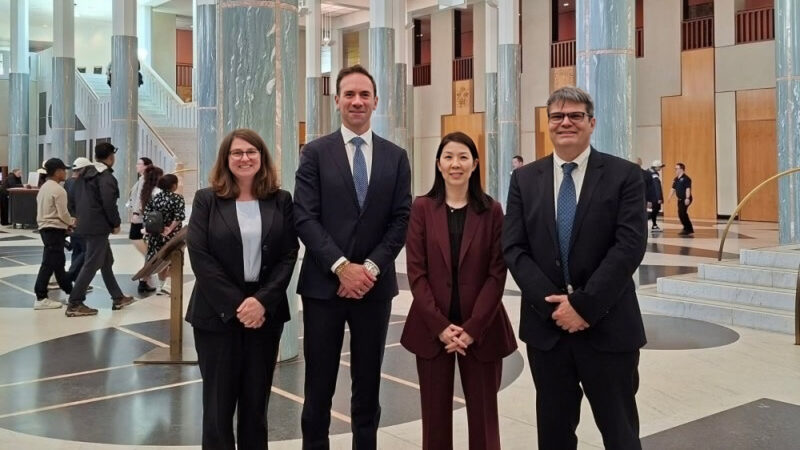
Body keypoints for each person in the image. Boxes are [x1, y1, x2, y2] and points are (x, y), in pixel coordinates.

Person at [503, 86, 647, 449]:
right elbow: (514, 247)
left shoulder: (625, 175)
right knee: (553, 435)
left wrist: (583, 306)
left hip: (609, 327)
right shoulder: (524, 180)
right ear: (547, 124)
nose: (565, 122)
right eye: (557, 116)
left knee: (620, 433)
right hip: (547, 332)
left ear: (591, 122)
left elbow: (629, 247)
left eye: (575, 115)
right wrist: (555, 306)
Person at [294, 64, 412, 449]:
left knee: (368, 384)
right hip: (323, 287)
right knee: (319, 384)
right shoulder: (314, 153)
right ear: (337, 101)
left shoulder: (396, 157)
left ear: (376, 101)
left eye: (364, 95)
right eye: (349, 94)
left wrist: (370, 269)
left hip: (373, 290)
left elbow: (401, 219)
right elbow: (305, 217)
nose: (357, 101)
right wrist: (343, 267)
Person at [401, 132, 516, 450]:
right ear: (438, 163)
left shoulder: (491, 210)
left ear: (475, 164)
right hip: (431, 329)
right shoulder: (422, 208)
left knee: (484, 420)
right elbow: (417, 273)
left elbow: (497, 273)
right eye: (449, 156)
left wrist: (473, 327)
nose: (456, 163)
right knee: (434, 422)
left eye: (463, 157)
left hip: (482, 329)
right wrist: (440, 326)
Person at [186, 128, 299, 450]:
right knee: (218, 408)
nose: (244, 158)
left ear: (262, 158)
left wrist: (261, 302)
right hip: (216, 315)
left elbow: (289, 253)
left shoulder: (280, 200)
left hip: (265, 316)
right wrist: (240, 305)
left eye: (251, 152)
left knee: (256, 405)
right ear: (226, 159)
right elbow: (201, 256)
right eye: (237, 153)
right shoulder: (207, 199)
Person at [66, 143, 134, 317]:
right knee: (92, 264)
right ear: (111, 157)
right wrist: (115, 223)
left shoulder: (83, 175)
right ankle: (75, 303)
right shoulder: (105, 177)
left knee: (106, 261)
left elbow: (74, 200)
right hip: (98, 226)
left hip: (86, 224)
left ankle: (117, 297)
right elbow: (109, 203)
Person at [33, 158, 74, 310]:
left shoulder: (44, 187)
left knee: (58, 263)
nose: (66, 173)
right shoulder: (58, 190)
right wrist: (71, 222)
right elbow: (63, 213)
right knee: (49, 263)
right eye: (64, 170)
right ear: (57, 172)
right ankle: (41, 296)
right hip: (54, 230)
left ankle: (71, 292)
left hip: (46, 229)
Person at [143, 173, 184, 292]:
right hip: (172, 235)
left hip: (156, 235)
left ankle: (161, 286)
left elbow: (147, 215)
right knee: (175, 259)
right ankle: (170, 285)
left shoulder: (155, 198)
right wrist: (169, 229)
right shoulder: (177, 198)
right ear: (173, 185)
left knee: (161, 260)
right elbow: (179, 217)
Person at [127, 157, 157, 292]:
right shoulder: (142, 180)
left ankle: (145, 279)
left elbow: (140, 198)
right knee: (148, 252)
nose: (136, 166)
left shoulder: (145, 181)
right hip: (139, 219)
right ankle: (145, 279)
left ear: (146, 166)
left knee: (149, 252)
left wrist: (136, 213)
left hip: (140, 220)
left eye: (139, 164)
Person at [65, 157, 93, 286]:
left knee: (77, 250)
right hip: (81, 222)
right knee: (85, 251)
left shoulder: (68, 182)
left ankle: (77, 279)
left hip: (72, 221)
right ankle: (71, 275)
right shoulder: (80, 184)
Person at [667, 162, 694, 236]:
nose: (675, 170)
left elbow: (688, 189)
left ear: (681, 169)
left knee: (682, 213)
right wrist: (669, 197)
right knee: (681, 214)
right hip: (680, 200)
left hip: (685, 199)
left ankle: (688, 229)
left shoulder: (686, 178)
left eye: (677, 168)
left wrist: (687, 198)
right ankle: (687, 228)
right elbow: (673, 189)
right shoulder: (676, 179)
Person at [647, 160, 666, 231]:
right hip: (654, 196)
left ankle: (654, 225)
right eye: (660, 167)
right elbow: (657, 186)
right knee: (656, 209)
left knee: (655, 210)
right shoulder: (654, 174)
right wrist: (659, 198)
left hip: (650, 196)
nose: (661, 168)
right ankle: (652, 224)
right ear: (656, 167)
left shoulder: (648, 171)